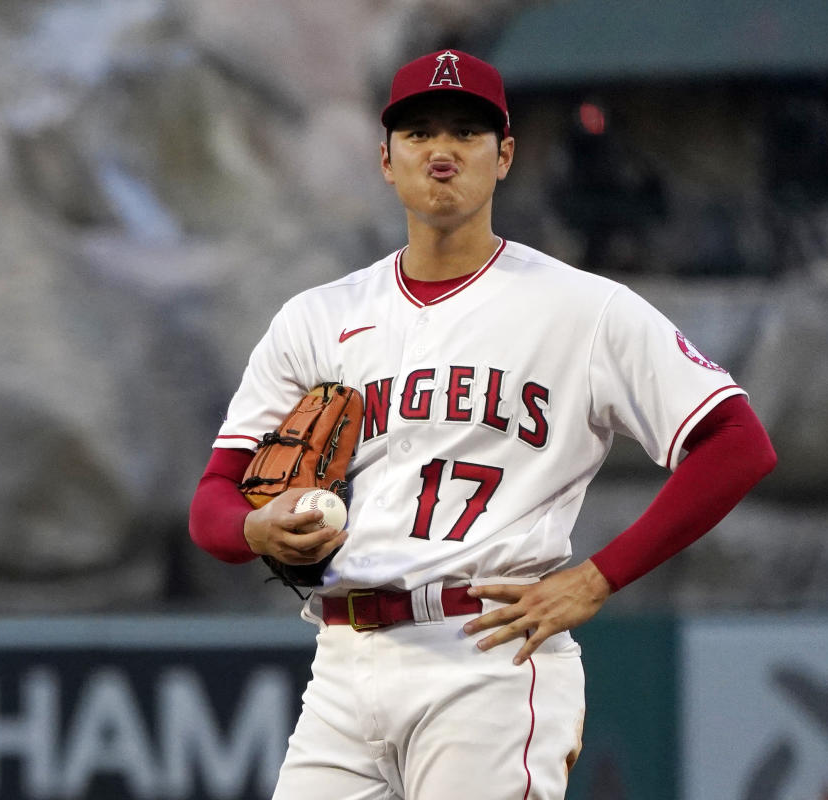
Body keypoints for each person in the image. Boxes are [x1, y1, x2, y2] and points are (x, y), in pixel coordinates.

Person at [189, 49, 776, 800]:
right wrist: (255, 530)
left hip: (488, 656)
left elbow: (737, 444)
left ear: (503, 156)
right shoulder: (318, 318)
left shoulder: (582, 309)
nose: (441, 152)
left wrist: (599, 577)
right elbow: (214, 502)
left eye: (466, 134)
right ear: (386, 158)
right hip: (343, 660)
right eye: (420, 132)